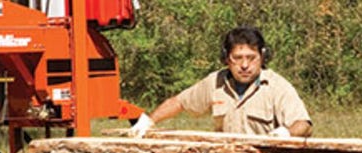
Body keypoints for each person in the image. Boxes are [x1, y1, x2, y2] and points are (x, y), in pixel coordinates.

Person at [129, 26, 313, 138]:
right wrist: (148, 121)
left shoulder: (277, 86)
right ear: (226, 58)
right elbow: (179, 102)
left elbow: (304, 124)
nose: (245, 65)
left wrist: (286, 133)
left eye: (251, 58)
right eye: (237, 58)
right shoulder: (215, 82)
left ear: (262, 57)